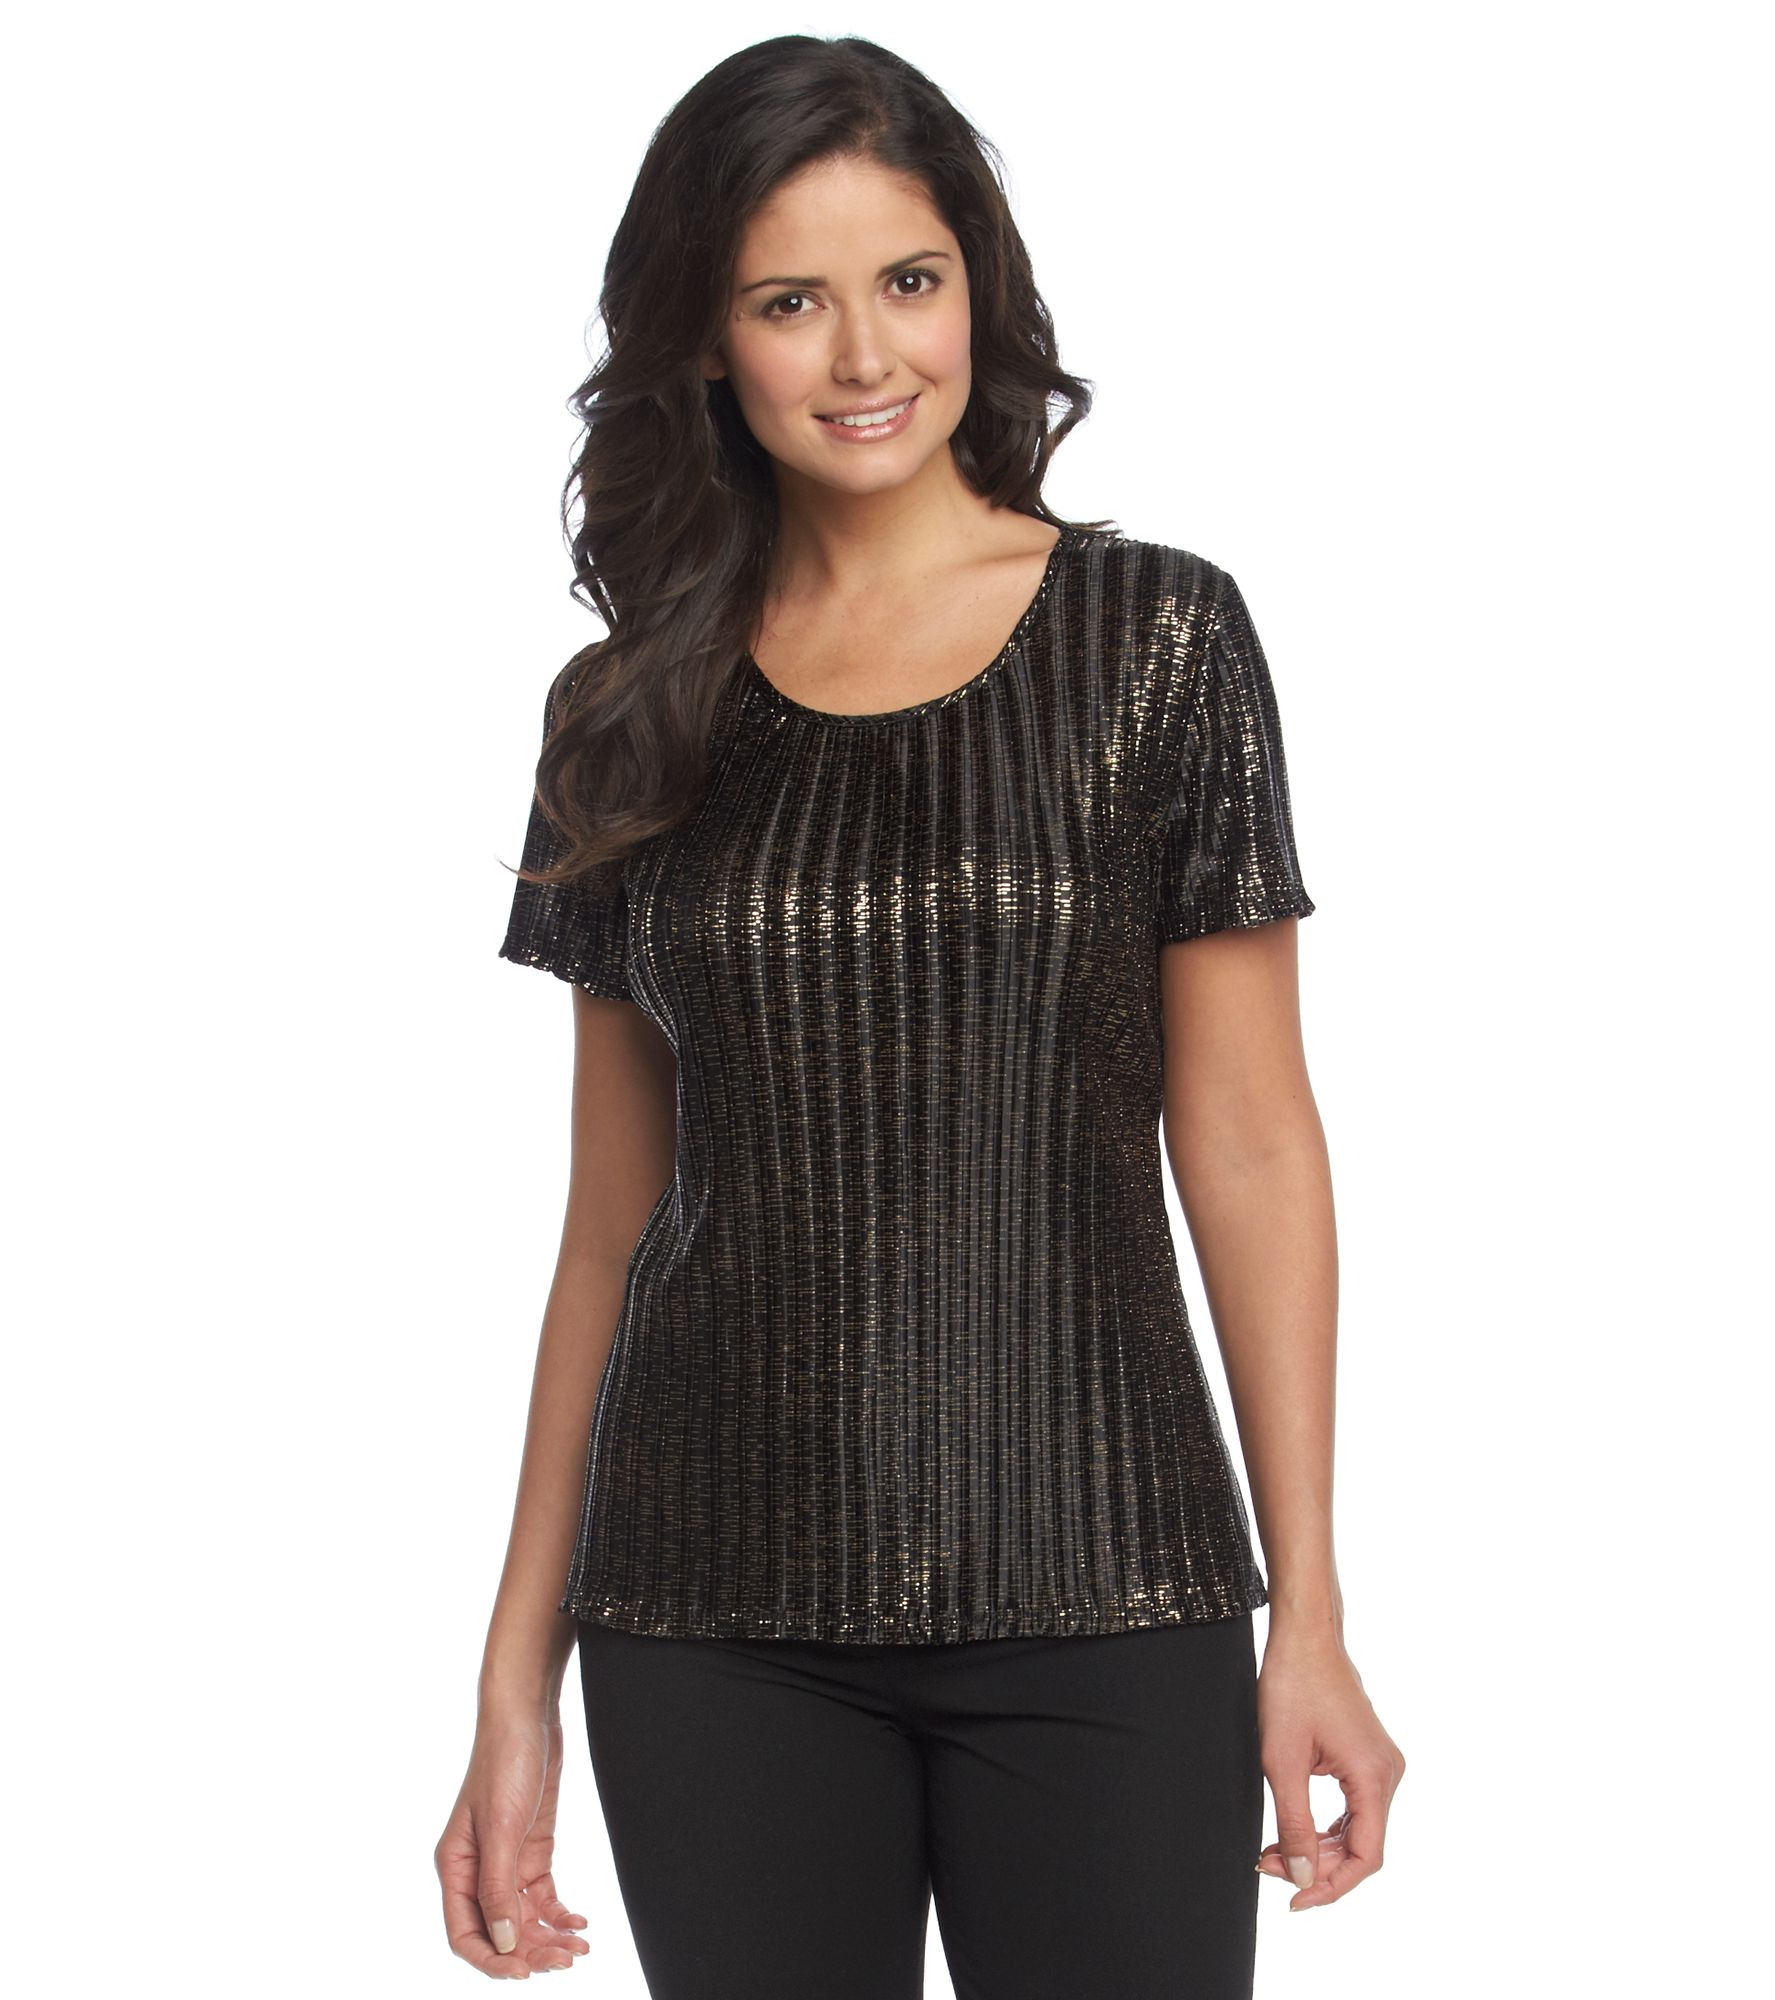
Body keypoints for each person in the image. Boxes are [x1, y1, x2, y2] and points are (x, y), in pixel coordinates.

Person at [435, 32, 1404, 2000]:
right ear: (707, 341)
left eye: (909, 280)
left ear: (981, 289)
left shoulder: (1159, 638)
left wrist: (1310, 1608)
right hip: (709, 1622)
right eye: (790, 300)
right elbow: (611, 1229)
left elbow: (1250, 1142)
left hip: (1108, 1578)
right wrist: (511, 1683)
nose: (865, 354)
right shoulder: (624, 711)